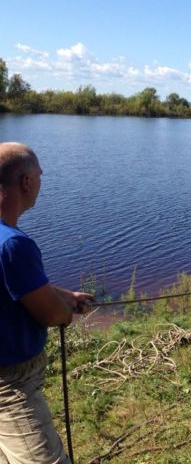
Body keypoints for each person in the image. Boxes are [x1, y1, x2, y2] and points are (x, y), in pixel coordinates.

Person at [0, 142, 93, 464]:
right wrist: (65, 311)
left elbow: (13, 284)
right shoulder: (14, 244)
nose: (41, 182)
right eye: (39, 176)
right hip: (10, 384)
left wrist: (64, 295)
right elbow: (51, 315)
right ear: (26, 182)